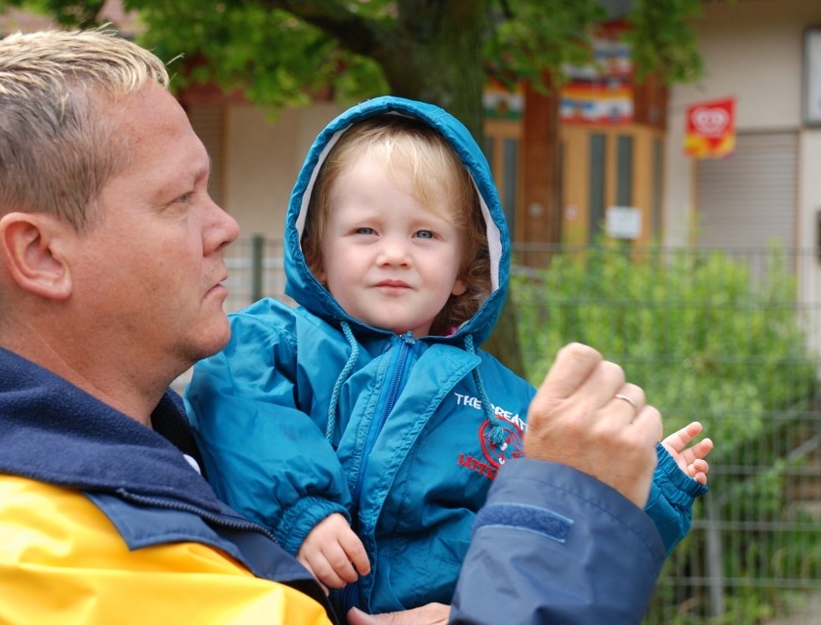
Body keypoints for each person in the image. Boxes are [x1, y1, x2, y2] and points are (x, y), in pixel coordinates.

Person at [0, 27, 669, 625]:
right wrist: (561, 508)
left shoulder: (112, 482)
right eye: (179, 200)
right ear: (42, 253)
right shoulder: (35, 550)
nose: (224, 225)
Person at [184, 96, 713, 618]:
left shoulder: (506, 403)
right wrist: (300, 512)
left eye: (425, 234)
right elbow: (237, 408)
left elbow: (547, 534)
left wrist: (643, 488)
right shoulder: (274, 342)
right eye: (365, 230)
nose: (395, 252)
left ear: (464, 267)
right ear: (318, 255)